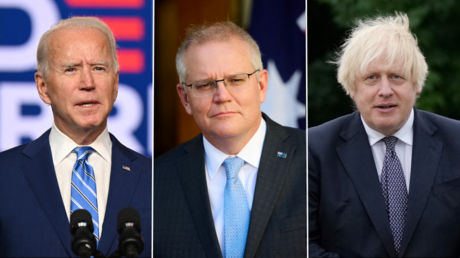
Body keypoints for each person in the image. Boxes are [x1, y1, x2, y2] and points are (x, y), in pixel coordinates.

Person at [309, 12, 460, 257]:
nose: (385, 90)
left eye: (396, 77)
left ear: (417, 84)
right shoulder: (313, 149)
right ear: (351, 87)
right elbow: (301, 242)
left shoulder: (457, 141)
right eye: (372, 78)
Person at [0, 17, 151, 257]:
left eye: (99, 68)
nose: (88, 83)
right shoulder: (4, 175)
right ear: (43, 87)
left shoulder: (154, 178)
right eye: (71, 69)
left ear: (115, 83)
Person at [154, 21, 306, 258]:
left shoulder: (315, 158)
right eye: (205, 85)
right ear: (185, 98)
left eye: (236, 80)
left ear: (261, 85)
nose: (222, 96)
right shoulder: (155, 181)